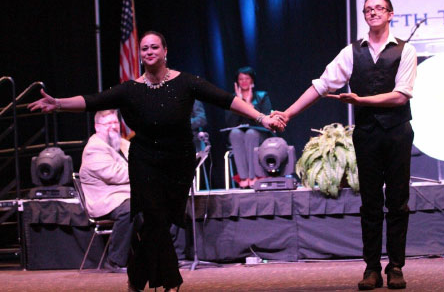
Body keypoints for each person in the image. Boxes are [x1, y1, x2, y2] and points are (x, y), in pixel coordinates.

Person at [28, 30, 284, 292]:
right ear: (140, 55)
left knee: (159, 222)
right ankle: (172, 282)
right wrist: (57, 103)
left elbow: (225, 99)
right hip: (144, 161)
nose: (149, 52)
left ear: (165, 51)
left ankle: (136, 279)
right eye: (144, 49)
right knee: (154, 218)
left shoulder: (185, 82)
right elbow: (93, 100)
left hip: (177, 162)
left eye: (154, 48)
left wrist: (261, 118)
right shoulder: (130, 89)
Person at [272, 0, 417, 290]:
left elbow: (400, 96)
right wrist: (288, 113)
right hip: (367, 135)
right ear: (364, 16)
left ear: (391, 14)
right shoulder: (351, 52)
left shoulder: (406, 50)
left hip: (398, 132)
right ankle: (372, 268)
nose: (373, 12)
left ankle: (397, 266)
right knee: (371, 202)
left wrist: (360, 99)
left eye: (379, 8)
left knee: (398, 202)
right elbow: (321, 85)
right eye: (368, 9)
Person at [79, 109, 133, 273]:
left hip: (124, 195)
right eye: (107, 123)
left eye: (115, 122)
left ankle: (174, 255)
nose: (113, 127)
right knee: (132, 208)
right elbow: (116, 175)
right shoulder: (94, 148)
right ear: (97, 127)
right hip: (106, 200)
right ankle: (115, 260)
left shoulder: (122, 143)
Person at [225, 66, 272, 188]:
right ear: (237, 82)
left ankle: (254, 176)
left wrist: (250, 104)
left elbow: (266, 119)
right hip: (240, 135)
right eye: (241, 79)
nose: (244, 81)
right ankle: (244, 178)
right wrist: (239, 103)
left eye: (247, 78)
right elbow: (230, 123)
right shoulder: (232, 99)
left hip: (259, 134)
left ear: (252, 80)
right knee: (235, 133)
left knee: (251, 133)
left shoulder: (262, 96)